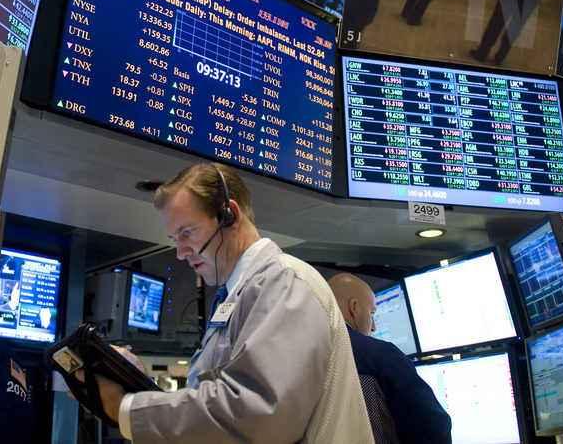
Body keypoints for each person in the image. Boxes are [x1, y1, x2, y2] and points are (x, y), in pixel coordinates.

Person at [73, 162, 373, 443]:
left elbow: (260, 415)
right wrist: (138, 384)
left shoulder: (284, 280)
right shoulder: (237, 294)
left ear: (229, 215)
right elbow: (216, 402)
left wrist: (126, 409)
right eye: (174, 238)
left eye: (187, 232)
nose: (180, 252)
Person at [328, 273, 451, 444]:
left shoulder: (300, 353)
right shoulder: (380, 356)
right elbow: (433, 427)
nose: (373, 327)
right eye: (371, 313)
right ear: (354, 307)